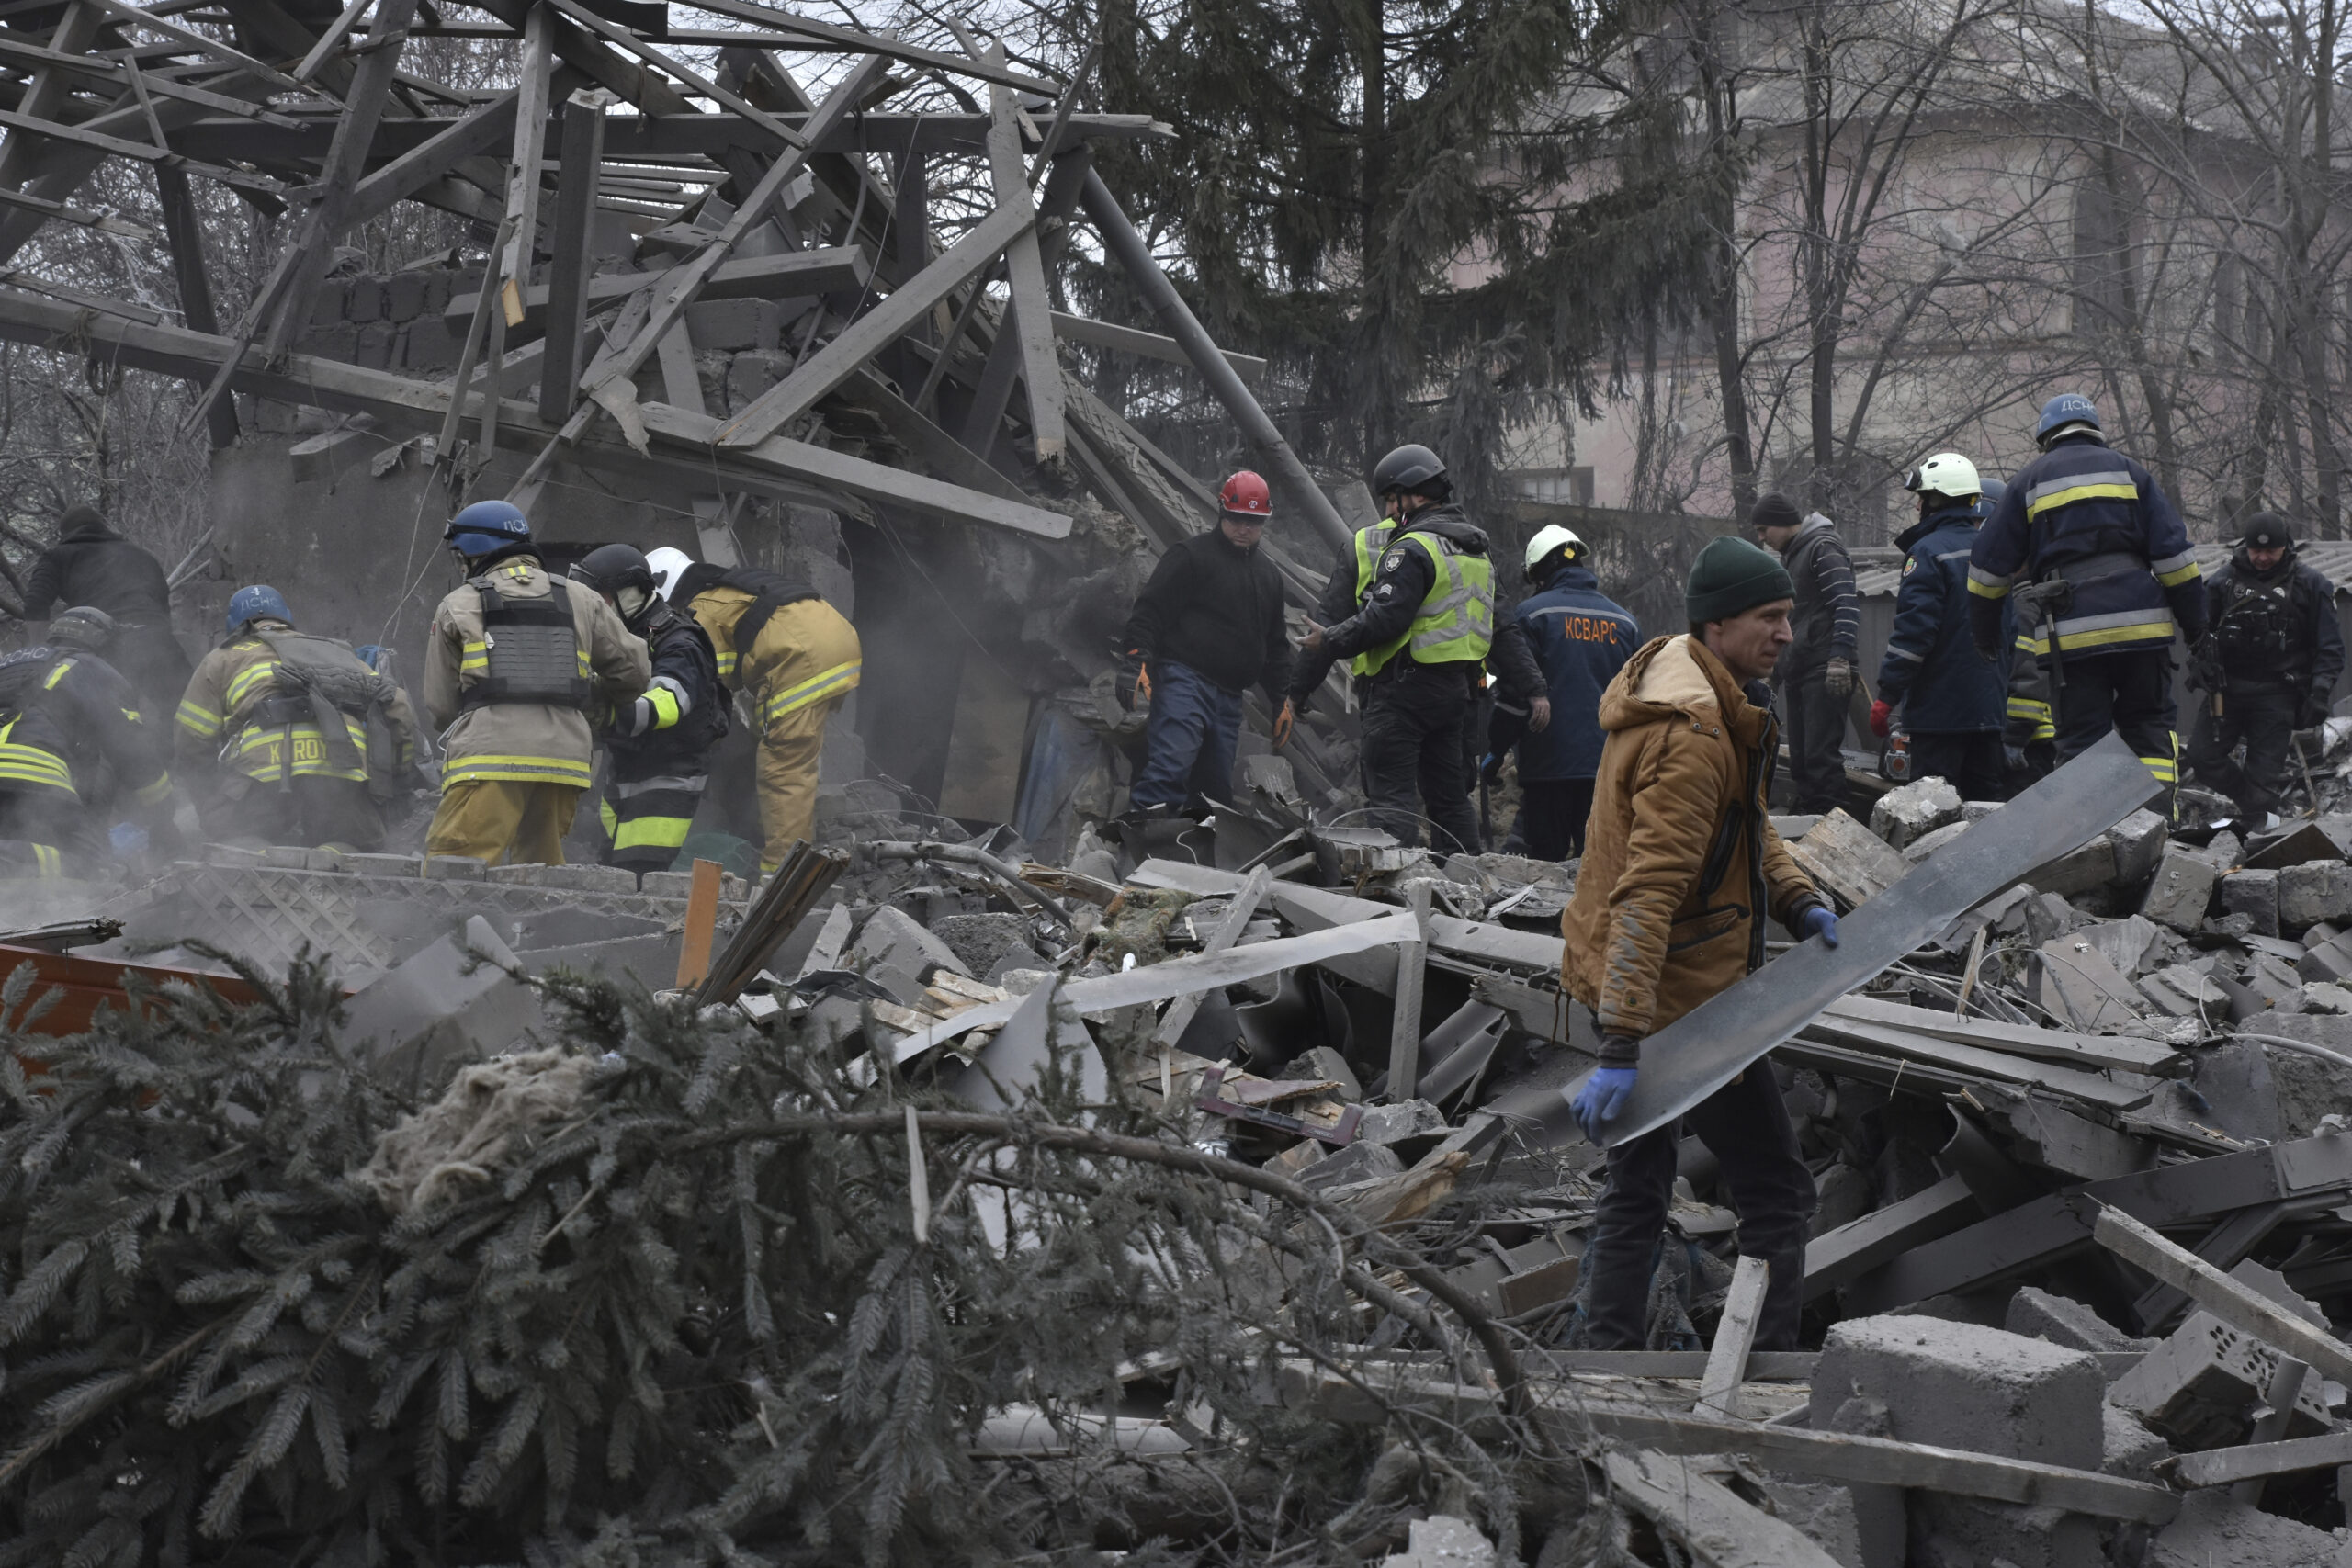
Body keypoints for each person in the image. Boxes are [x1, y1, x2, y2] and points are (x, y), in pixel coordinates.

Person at [1558, 535, 1837, 1351]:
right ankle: (1763, 1376)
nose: (1787, 632)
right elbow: (1649, 893)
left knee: (1638, 1187)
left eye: (1789, 615)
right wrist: (1622, 1045)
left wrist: (1796, 900)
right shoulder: (1695, 734)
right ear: (1717, 625)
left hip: (1651, 987)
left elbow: (1745, 829)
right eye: (1769, 617)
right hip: (1679, 1002)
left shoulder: (1690, 683)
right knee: (1779, 1194)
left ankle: (1606, 1356)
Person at [1295, 444, 1538, 852]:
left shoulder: (1412, 548)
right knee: (1449, 800)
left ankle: (1394, 900)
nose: (1390, 511)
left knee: (1391, 801)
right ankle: (1466, 884)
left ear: (1417, 495)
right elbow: (1503, 627)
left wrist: (1327, 641)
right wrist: (1534, 687)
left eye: (1393, 498)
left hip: (1400, 694)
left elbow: (1383, 619)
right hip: (1453, 697)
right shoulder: (1472, 552)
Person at [1969, 394, 2205, 797]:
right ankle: (2158, 829)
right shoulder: (2132, 473)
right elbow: (2177, 563)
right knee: (2149, 731)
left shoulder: (2029, 481)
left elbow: (1986, 574)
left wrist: (1986, 635)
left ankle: (2093, 842)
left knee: (2082, 741)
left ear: (2046, 437)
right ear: (2095, 431)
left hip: (2074, 637)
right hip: (2142, 631)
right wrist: (2197, 628)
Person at [423, 502, 649, 867]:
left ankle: (462, 925)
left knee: (456, 866)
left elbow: (440, 704)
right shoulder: (580, 597)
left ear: (473, 551)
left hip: (488, 759)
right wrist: (594, 704)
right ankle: (534, 927)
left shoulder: (458, 603)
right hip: (565, 761)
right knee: (541, 870)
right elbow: (635, 672)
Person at [651, 545, 861, 874]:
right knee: (786, 753)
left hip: (803, 659)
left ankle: (779, 876)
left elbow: (703, 680)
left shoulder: (699, 614)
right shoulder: (724, 591)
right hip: (836, 642)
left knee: (782, 769)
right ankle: (790, 845)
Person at [175, 585, 423, 852]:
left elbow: (191, 738)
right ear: (286, 619)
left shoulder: (222, 658)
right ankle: (334, 864)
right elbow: (397, 705)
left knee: (238, 836)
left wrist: (209, 799)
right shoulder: (337, 652)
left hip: (262, 774)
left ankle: (256, 861)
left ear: (234, 625)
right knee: (348, 841)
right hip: (342, 770)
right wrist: (396, 777)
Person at [1113, 471, 1296, 815]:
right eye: (1238, 519)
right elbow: (1150, 610)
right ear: (1222, 512)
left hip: (1229, 697)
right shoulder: (1190, 557)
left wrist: (1281, 697)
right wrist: (1136, 660)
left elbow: (1275, 644)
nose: (1245, 528)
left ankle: (1195, 862)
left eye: (1254, 522)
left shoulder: (1269, 576)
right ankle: (1140, 857)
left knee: (1214, 792)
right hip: (1185, 679)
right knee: (1171, 768)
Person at [569, 544, 727, 877]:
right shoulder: (622, 636)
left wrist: (607, 714)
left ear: (630, 594)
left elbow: (667, 704)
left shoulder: (679, 641)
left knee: (637, 876)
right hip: (626, 769)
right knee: (610, 869)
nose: (595, 608)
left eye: (602, 599)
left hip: (667, 776)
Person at [1870, 454, 2012, 801]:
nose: (1919, 505)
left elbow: (1914, 636)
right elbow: (2010, 632)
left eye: (1922, 497)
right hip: (1989, 715)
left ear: (1934, 500)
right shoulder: (1992, 552)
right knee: (1985, 812)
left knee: (1933, 814)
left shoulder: (1927, 553)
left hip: (1939, 718)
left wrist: (1887, 697)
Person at [2186, 513, 2346, 818]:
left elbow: (2330, 646)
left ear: (2285, 546)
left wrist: (2320, 692)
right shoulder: (2223, 582)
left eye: (2270, 551)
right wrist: (2201, 664)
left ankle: (2257, 831)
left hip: (2278, 694)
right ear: (2245, 547)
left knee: (2263, 784)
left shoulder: (2311, 584)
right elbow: (2200, 634)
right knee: (2202, 757)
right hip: (2226, 691)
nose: (2262, 557)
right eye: (2256, 550)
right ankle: (2255, 804)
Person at [0, 606, 178, 877]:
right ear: (102, 641)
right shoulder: (92, 668)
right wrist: (164, 815)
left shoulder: (9, 664)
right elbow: (133, 752)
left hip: (25, 778)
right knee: (93, 869)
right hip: (32, 772)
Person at [1487, 524, 1628, 860]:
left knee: (1543, 868)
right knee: (1599, 868)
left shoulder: (1531, 616)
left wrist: (1493, 751)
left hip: (1547, 769)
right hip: (1608, 770)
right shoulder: (1626, 623)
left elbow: (1514, 694)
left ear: (1539, 572)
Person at [21, 504, 193, 717]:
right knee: (186, 718)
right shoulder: (141, 555)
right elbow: (162, 604)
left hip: (106, 648)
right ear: (104, 526)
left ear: (64, 533)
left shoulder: (58, 556)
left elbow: (35, 603)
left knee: (111, 727)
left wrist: (38, 650)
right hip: (160, 643)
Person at [1750, 493, 1859, 815]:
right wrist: (1775, 671)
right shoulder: (1795, 556)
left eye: (1763, 529)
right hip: (1801, 669)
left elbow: (1846, 603)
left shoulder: (1821, 548)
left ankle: (1831, 832)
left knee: (1819, 760)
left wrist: (1840, 658)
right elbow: (1794, 622)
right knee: (1801, 760)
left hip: (1823, 669)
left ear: (1782, 522)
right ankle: (1813, 825)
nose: (1761, 538)